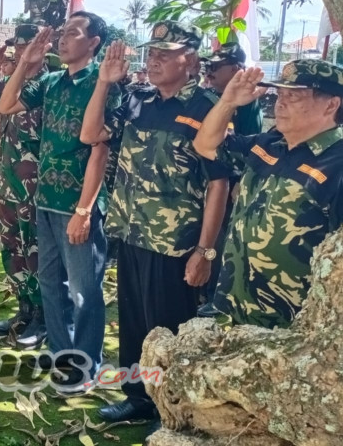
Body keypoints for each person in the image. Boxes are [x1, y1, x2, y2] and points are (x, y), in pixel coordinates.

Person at [80, 22, 230, 432]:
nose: (156, 58)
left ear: (193, 59)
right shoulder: (136, 99)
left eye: (167, 51)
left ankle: (175, 411)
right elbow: (91, 133)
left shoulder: (207, 108)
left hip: (175, 244)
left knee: (171, 331)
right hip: (132, 232)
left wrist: (205, 251)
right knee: (134, 323)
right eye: (153, 51)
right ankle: (139, 400)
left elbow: (219, 183)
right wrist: (103, 83)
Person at [0, 12, 120, 391]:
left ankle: (86, 363)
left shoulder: (106, 83)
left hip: (78, 205)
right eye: (62, 34)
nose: (63, 40)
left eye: (73, 33)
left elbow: (99, 150)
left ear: (94, 42)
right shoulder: (51, 81)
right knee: (50, 281)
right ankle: (62, 354)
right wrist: (26, 63)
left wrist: (84, 211)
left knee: (84, 290)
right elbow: (5, 105)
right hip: (46, 200)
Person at [194, 60, 343, 329]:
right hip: (234, 310)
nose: (280, 103)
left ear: (331, 104)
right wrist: (228, 102)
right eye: (280, 94)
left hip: (290, 329)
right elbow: (205, 144)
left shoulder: (337, 165)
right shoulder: (268, 144)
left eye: (294, 96)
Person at [0, 24, 47, 347]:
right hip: (9, 181)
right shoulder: (12, 84)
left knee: (36, 251)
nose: (18, 52)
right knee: (12, 247)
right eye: (15, 47)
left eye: (24, 46)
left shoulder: (48, 84)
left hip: (36, 185)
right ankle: (24, 309)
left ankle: (42, 317)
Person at [197, 41, 263, 316]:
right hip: (211, 179)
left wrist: (238, 184)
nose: (208, 72)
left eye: (215, 67)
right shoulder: (213, 96)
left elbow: (245, 149)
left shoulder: (245, 105)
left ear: (236, 69)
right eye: (208, 66)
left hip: (231, 184)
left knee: (222, 242)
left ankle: (216, 298)